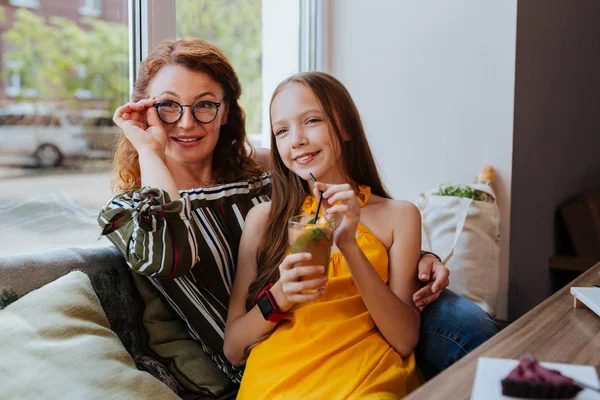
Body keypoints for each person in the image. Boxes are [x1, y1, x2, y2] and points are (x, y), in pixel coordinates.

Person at [98, 38, 498, 393]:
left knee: (469, 323)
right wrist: (149, 151)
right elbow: (173, 260)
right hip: (262, 354)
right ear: (146, 111)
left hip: (357, 350)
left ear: (224, 112)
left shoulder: (263, 181)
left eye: (204, 105)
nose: (186, 122)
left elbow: (336, 192)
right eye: (168, 106)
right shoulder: (142, 213)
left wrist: (415, 258)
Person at [224, 71, 424, 398]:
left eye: (312, 120)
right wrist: (281, 295)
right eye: (282, 131)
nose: (297, 139)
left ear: (345, 126)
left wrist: (349, 246)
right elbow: (233, 349)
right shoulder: (263, 220)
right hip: (275, 383)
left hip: (363, 380)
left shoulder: (399, 216)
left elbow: (403, 339)